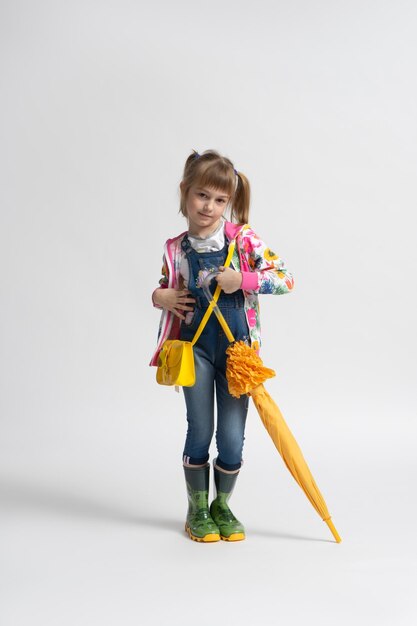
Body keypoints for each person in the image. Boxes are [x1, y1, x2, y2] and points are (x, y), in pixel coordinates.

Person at [150, 149, 294, 543]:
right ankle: (197, 506)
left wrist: (243, 281)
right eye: (201, 196)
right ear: (185, 192)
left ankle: (222, 505)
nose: (208, 207)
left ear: (228, 202)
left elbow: (285, 278)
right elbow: (167, 288)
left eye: (218, 200)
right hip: (193, 349)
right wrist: (158, 296)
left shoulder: (243, 240)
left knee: (231, 437)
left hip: (236, 355)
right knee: (201, 429)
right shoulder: (175, 248)